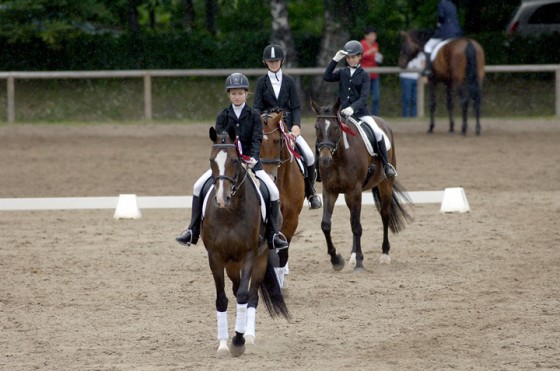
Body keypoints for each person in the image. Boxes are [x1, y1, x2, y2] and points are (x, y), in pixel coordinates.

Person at [175, 73, 289, 250]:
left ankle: (273, 234)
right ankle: (193, 230)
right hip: (227, 165)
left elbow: (257, 139)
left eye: (240, 93)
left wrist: (251, 157)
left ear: (246, 94)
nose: (237, 96)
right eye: (234, 93)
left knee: (273, 192)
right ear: (229, 95)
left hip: (250, 162)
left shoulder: (253, 115)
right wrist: (230, 159)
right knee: (198, 186)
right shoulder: (223, 116)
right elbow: (220, 142)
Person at [253, 44, 322, 210]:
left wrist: (296, 125)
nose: (274, 64)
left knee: (309, 156)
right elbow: (256, 107)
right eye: (270, 61)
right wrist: (261, 123)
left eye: (276, 61)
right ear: (265, 62)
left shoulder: (289, 81)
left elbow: (296, 106)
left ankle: (311, 193)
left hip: (288, 126)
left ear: (282, 61)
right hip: (268, 128)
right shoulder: (261, 82)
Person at [323, 40, 397, 179]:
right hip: (343, 114)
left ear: (360, 56)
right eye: (349, 57)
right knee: (326, 132)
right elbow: (326, 77)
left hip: (361, 113)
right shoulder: (342, 72)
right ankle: (319, 165)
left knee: (378, 133)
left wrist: (352, 108)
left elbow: (364, 97)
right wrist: (334, 60)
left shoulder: (364, 75)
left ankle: (386, 165)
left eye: (354, 57)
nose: (351, 60)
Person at [423, 0, 463, 76]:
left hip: (446, 31)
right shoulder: (452, 4)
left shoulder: (441, 3)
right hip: (458, 31)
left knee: (428, 46)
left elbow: (441, 17)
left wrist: (438, 25)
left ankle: (427, 68)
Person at [359, 27, 383, 115]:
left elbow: (375, 59)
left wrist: (379, 58)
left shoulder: (375, 44)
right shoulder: (361, 44)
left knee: (376, 96)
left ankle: (375, 115)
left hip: (374, 74)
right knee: (363, 96)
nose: (374, 37)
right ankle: (363, 114)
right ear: (366, 36)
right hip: (364, 75)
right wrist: (369, 52)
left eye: (375, 35)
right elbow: (358, 57)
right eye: (372, 35)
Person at [399, 52, 426, 117]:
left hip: (417, 78)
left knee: (415, 99)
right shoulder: (406, 51)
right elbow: (401, 63)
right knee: (407, 98)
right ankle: (406, 116)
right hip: (406, 77)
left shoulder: (421, 54)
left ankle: (414, 117)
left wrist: (424, 76)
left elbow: (423, 63)